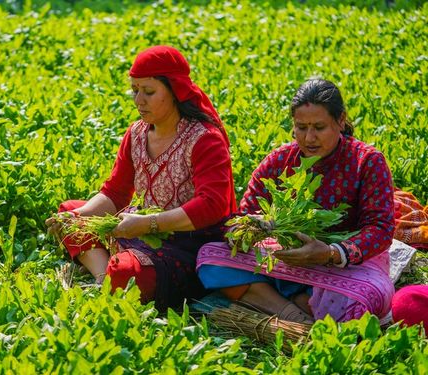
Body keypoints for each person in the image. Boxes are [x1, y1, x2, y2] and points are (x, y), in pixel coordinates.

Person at [46, 45, 236, 311]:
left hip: (188, 244)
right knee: (71, 212)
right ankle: (104, 279)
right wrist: (80, 217)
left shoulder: (204, 140)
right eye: (135, 90)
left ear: (175, 92)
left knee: (127, 273)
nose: (139, 100)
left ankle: (117, 275)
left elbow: (211, 205)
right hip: (139, 228)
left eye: (148, 92)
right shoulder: (136, 134)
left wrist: (148, 224)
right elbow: (115, 192)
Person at [197, 78, 396, 323]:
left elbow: (381, 228)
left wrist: (330, 253)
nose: (309, 137)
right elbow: (241, 217)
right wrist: (254, 227)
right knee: (210, 258)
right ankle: (293, 313)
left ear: (341, 120)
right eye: (301, 127)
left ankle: (285, 302)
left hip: (343, 267)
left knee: (365, 298)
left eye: (319, 127)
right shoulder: (280, 161)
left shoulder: (366, 161)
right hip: (285, 260)